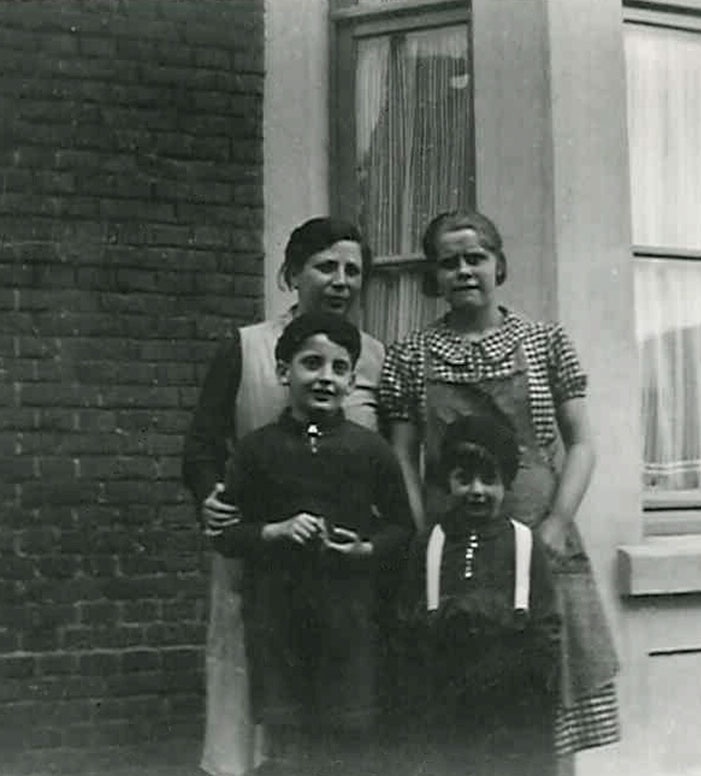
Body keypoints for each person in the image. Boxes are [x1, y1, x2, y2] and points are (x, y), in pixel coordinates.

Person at [379, 209, 621, 760]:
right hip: (452, 548)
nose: (463, 271)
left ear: (499, 266)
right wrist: (423, 539)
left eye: (475, 258)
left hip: (539, 538)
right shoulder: (409, 354)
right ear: (433, 278)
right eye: (449, 262)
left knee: (544, 702)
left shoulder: (544, 341)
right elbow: (401, 456)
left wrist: (557, 524)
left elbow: (582, 442)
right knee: (456, 712)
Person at [182, 217, 384, 776]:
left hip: (335, 561)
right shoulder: (246, 347)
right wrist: (211, 496)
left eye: (353, 271)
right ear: (292, 274)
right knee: (249, 692)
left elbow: (382, 454)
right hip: (257, 549)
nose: (341, 281)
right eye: (325, 267)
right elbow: (200, 445)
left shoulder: (371, 356)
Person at [212, 311, 412, 776]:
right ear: (284, 372)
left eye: (339, 368)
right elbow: (225, 533)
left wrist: (366, 550)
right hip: (277, 623)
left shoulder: (371, 450)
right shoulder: (256, 450)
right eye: (311, 363)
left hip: (351, 625)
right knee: (288, 750)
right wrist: (273, 531)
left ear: (351, 380)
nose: (326, 378)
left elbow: (402, 529)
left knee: (347, 748)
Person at [396, 413, 562, 776]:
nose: (477, 490)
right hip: (445, 702)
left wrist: (539, 698)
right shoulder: (430, 542)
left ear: (506, 485)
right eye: (463, 479)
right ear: (447, 482)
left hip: (512, 708)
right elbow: (407, 621)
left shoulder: (523, 542)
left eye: (490, 480)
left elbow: (547, 626)